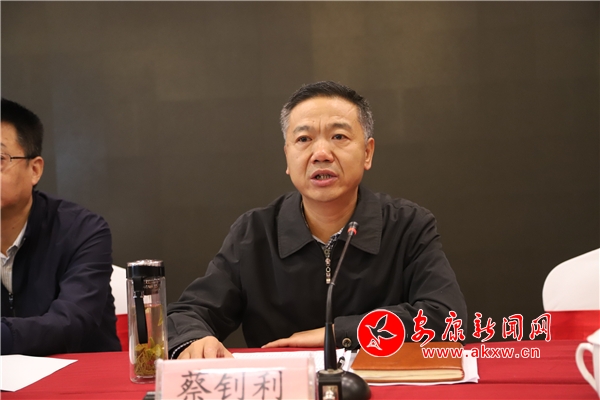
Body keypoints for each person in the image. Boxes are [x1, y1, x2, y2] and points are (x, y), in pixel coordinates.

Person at [167, 81, 467, 359]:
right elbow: (186, 315)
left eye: (339, 137)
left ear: (367, 152)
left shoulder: (408, 226)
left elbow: (446, 318)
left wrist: (337, 333)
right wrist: (195, 339)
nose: (321, 153)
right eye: (304, 139)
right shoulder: (254, 233)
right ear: (287, 156)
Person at [1, 98, 121, 355]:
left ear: (34, 170)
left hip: (81, 375)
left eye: (0, 158)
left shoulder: (83, 231)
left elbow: (70, 323)